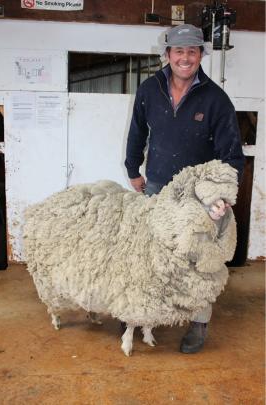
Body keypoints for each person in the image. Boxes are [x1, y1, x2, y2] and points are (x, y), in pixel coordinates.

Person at [124, 24, 245, 354]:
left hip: (197, 197)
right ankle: (150, 311)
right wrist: (133, 169)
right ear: (167, 54)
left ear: (201, 55)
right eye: (179, 51)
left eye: (192, 51)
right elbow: (137, 132)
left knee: (201, 262)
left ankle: (198, 321)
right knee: (155, 254)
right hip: (159, 188)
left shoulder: (216, 99)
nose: (185, 57)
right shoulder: (149, 89)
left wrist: (221, 196)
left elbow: (232, 154)